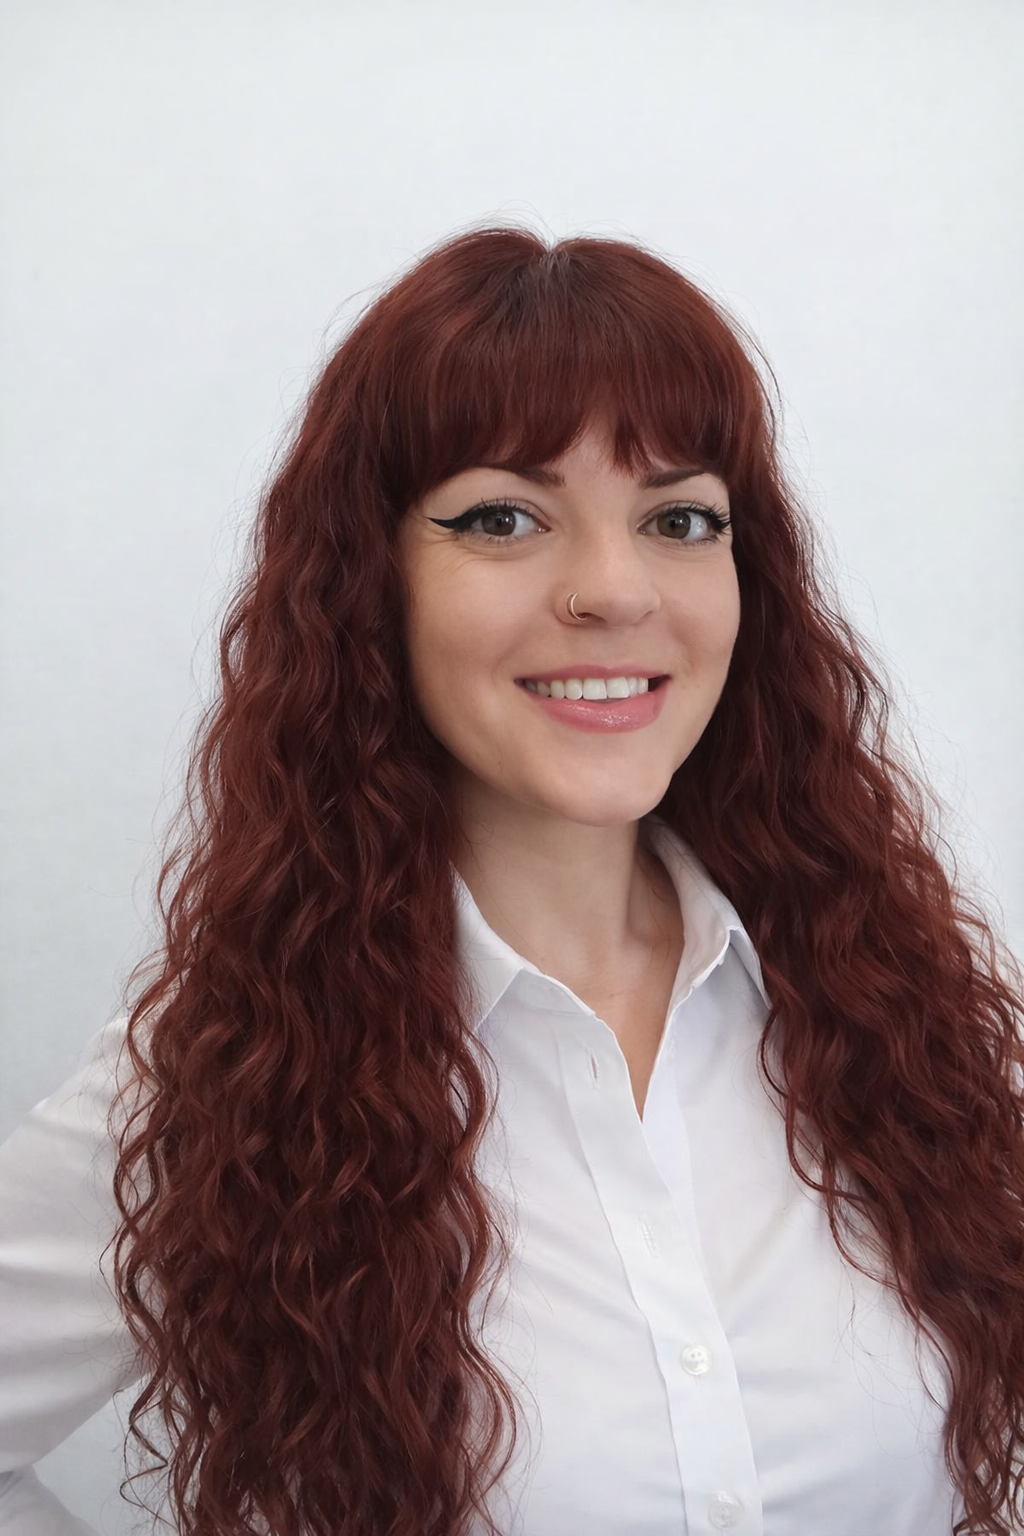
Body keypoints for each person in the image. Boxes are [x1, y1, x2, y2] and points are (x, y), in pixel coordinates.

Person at [2, 225, 1023, 1536]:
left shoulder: (891, 1017)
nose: (612, 587)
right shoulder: (224, 1085)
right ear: (377, 585)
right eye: (503, 517)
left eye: (679, 518)